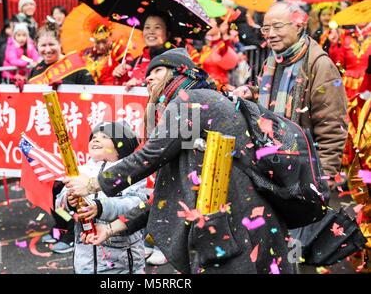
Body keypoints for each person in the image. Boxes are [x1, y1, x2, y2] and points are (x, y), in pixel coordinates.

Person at [63, 48, 296, 274]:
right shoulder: (192, 109)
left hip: (237, 222)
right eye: (147, 74)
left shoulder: (189, 99)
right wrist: (111, 229)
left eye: (158, 71)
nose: (149, 78)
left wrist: (94, 184)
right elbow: (169, 189)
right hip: (237, 223)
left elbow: (149, 156)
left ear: (179, 71)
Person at [234, 1, 347, 188]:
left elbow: (332, 128)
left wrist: (323, 181)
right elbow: (269, 95)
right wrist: (252, 93)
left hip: (303, 172)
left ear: (299, 25)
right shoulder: (273, 60)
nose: (270, 34)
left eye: (277, 27)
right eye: (266, 28)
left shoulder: (320, 66)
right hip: (271, 165)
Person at [56, 121, 148, 274]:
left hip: (121, 262)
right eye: (94, 137)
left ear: (121, 146)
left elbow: (135, 204)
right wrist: (68, 201)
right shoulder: (80, 172)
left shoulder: (131, 173)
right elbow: (59, 206)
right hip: (84, 260)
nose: (96, 139)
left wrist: (100, 207)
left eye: (104, 136)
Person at [112, 11, 172, 91]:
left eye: (157, 27)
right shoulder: (136, 61)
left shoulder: (173, 61)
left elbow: (172, 88)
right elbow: (121, 96)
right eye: (147, 27)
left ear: (168, 34)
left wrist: (141, 84)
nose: (151, 32)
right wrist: (120, 77)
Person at [29, 22, 94, 89]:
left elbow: (92, 91)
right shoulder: (34, 72)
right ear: (37, 46)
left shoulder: (75, 63)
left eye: (51, 44)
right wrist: (20, 90)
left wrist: (65, 86)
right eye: (43, 45)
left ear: (60, 43)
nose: (48, 50)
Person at [328, 22, 371, 99]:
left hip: (368, 82)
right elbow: (338, 64)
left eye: (363, 12)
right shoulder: (345, 36)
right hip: (348, 84)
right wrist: (334, 44)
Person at [198, 17, 239, 89]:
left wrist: (225, 34)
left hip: (218, 87)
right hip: (204, 85)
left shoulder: (222, 45)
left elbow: (230, 55)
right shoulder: (206, 47)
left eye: (210, 22)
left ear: (219, 27)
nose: (207, 25)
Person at [2, 22, 40, 88]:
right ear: (14, 36)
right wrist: (28, 63)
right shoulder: (11, 46)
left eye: (24, 35)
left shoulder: (30, 46)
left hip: (25, 78)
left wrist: (37, 62)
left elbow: (35, 56)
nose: (21, 38)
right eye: (19, 35)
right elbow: (13, 60)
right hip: (10, 78)